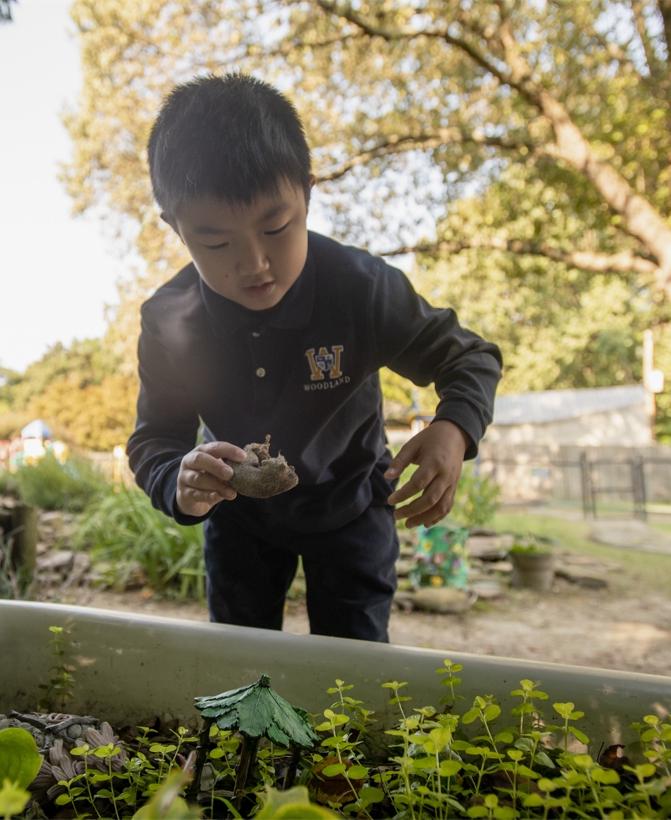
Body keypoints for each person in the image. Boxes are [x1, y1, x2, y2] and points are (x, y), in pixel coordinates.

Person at [126, 74, 503, 642]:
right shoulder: (169, 320)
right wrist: (173, 480)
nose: (254, 263)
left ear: (308, 192)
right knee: (240, 672)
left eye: (276, 226)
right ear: (176, 228)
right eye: (216, 243)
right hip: (240, 520)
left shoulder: (361, 288)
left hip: (353, 506)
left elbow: (470, 358)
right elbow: (155, 439)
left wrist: (453, 428)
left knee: (352, 675)